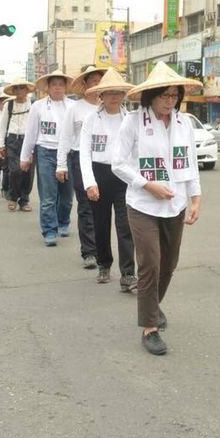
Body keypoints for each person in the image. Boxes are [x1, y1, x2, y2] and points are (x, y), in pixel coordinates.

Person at [112, 61, 203, 356]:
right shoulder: (134, 122)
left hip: (174, 205)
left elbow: (189, 162)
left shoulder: (183, 123)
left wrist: (195, 197)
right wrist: (146, 185)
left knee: (169, 264)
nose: (169, 101)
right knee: (150, 261)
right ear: (151, 96)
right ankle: (149, 327)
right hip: (142, 204)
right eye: (164, 95)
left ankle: (153, 305)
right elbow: (119, 163)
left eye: (174, 96)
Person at [79, 68, 137, 290]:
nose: (114, 96)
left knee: (126, 226)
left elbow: (135, 151)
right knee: (101, 224)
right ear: (100, 95)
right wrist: (90, 183)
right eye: (109, 92)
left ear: (123, 95)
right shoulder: (91, 119)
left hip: (124, 178)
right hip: (99, 174)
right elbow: (84, 153)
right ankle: (104, 264)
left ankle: (128, 274)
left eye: (118, 92)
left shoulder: (130, 119)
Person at [57, 65, 105, 269]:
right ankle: (89, 252)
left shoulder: (109, 105)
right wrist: (61, 164)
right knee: (86, 205)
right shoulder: (75, 108)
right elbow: (66, 137)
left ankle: (103, 250)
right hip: (79, 160)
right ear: (85, 84)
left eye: (99, 82)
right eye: (92, 82)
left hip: (104, 161)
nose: (96, 86)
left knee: (103, 207)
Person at [20, 70, 74, 247]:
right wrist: (25, 156)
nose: (57, 88)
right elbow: (31, 133)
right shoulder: (39, 106)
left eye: (61, 84)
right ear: (48, 88)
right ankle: (49, 230)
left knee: (66, 195)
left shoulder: (73, 106)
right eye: (54, 85)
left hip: (68, 153)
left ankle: (63, 221)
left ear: (65, 87)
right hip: (45, 152)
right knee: (48, 195)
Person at [0, 79, 35, 212]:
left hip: (28, 140)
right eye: (17, 88)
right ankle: (13, 197)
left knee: (27, 171)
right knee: (14, 171)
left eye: (22, 88)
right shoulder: (8, 106)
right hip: (12, 140)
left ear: (26, 90)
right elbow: (2, 126)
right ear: (13, 91)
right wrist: (1, 144)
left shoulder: (33, 105)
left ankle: (24, 200)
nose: (20, 91)